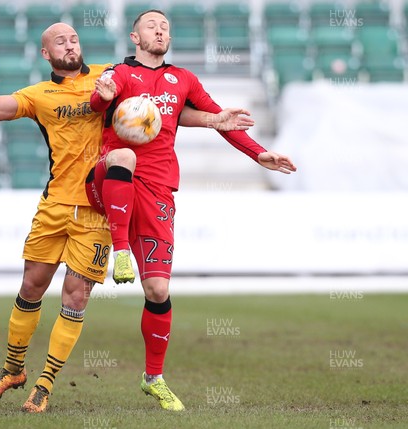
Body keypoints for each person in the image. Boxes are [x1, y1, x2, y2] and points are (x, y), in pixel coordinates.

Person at [0, 22, 256, 413]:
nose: (69, 46)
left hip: (99, 206)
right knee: (31, 287)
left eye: (73, 39)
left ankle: (45, 384)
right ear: (45, 54)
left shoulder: (113, 76)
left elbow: (166, 112)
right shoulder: (39, 95)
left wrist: (213, 121)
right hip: (54, 203)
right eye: (59, 42)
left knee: (75, 295)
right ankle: (12, 369)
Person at [86, 10, 297, 411]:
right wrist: (104, 96)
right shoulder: (119, 73)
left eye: (165, 26)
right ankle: (121, 252)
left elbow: (222, 120)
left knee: (159, 290)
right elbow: (98, 106)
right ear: (134, 35)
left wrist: (259, 154)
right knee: (125, 156)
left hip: (159, 190)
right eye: (152, 25)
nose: (160, 30)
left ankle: (154, 378)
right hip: (110, 175)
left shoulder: (182, 80)